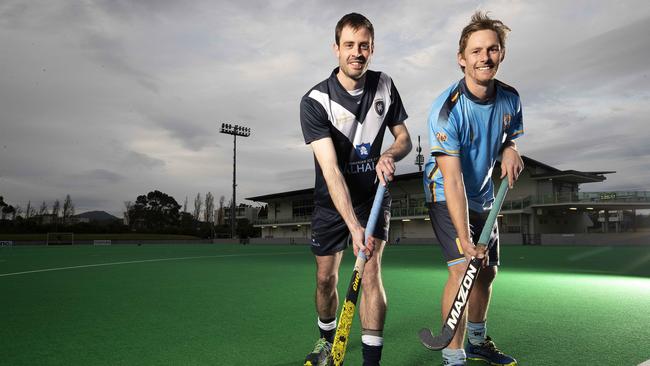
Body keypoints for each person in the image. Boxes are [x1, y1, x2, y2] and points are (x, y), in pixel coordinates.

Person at [300, 12, 412, 366]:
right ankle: (325, 340)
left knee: (371, 269)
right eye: (349, 45)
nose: (357, 52)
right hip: (331, 204)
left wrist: (389, 155)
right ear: (336, 49)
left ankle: (371, 362)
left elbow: (404, 138)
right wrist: (352, 226)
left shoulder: (385, 85)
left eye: (364, 45)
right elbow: (331, 170)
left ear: (372, 48)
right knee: (325, 278)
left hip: (373, 198)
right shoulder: (315, 101)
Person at [422, 11, 524, 366]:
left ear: (501, 54)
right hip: (445, 192)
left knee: (488, 271)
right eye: (476, 51)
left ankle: (478, 342)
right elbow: (451, 179)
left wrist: (511, 149)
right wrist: (465, 238)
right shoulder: (447, 112)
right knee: (464, 266)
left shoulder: (511, 98)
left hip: (483, 193)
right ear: (461, 58)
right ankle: (454, 356)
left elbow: (509, 136)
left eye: (492, 49)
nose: (485, 57)